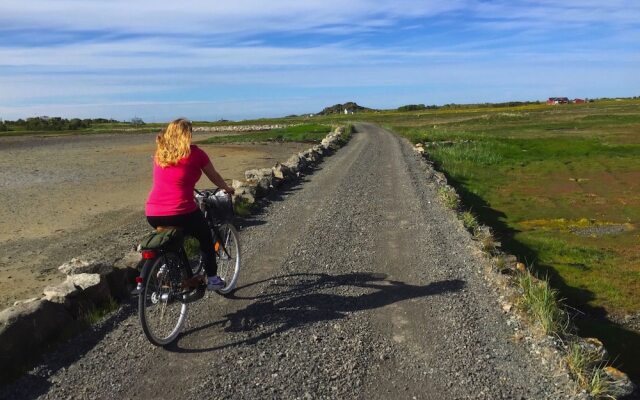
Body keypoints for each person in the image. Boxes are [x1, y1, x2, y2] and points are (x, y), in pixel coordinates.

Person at [145, 118, 235, 290]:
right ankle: (213, 278)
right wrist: (226, 188)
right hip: (180, 210)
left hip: (153, 211)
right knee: (205, 237)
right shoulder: (196, 154)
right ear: (188, 135)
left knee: (174, 239)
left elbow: (170, 181)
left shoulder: (160, 154)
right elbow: (213, 175)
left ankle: (167, 267)